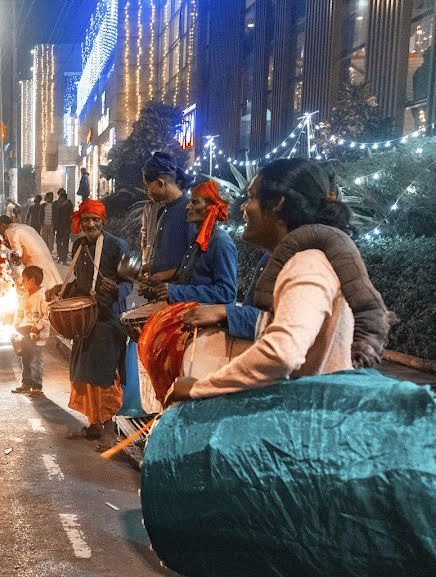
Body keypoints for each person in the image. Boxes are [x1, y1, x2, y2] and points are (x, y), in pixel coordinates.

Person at [166, 159, 365, 405]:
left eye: (251, 198)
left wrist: (202, 387)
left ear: (277, 205)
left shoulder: (308, 263)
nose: (244, 208)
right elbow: (273, 324)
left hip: (307, 417)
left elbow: (282, 352)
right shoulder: (287, 258)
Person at [46, 200, 132, 446]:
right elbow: (80, 283)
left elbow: (129, 283)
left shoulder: (117, 246)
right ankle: (94, 426)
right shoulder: (79, 245)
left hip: (108, 319)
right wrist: (58, 289)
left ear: (103, 222)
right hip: (85, 322)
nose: (90, 224)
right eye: (86, 220)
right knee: (83, 373)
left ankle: (108, 430)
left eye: (95, 219)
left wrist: (117, 289)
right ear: (81, 223)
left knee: (104, 375)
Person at [142, 180, 237, 305]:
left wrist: (176, 291)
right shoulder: (198, 239)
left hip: (206, 321)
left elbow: (227, 293)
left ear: (212, 208)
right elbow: (188, 280)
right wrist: (158, 290)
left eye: (195, 202)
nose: (187, 206)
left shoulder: (220, 242)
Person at [140, 152, 194, 281]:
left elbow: (195, 259)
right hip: (163, 294)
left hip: (181, 295)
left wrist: (163, 276)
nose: (147, 192)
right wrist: (146, 268)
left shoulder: (190, 211)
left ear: (160, 183)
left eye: (148, 186)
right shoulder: (163, 211)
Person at [11, 266, 50, 398]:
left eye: (25, 279)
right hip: (25, 332)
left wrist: (38, 327)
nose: (22, 282)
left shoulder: (43, 296)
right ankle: (26, 384)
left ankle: (37, 386)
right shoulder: (26, 295)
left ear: (33, 280)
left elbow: (47, 315)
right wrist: (16, 323)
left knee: (35, 361)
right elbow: (19, 312)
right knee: (26, 359)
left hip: (37, 335)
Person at [0, 215, 63, 291]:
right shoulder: (23, 226)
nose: (0, 233)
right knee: (51, 279)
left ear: (3, 225)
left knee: (40, 285)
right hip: (44, 253)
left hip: (33, 258)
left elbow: (17, 254)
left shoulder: (10, 231)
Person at [54, 188, 74, 264]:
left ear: (63, 198)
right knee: (59, 243)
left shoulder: (68, 205)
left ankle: (64, 259)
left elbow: (70, 217)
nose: (59, 198)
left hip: (65, 227)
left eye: (60, 197)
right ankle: (60, 258)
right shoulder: (58, 205)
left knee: (65, 243)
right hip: (59, 227)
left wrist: (69, 227)